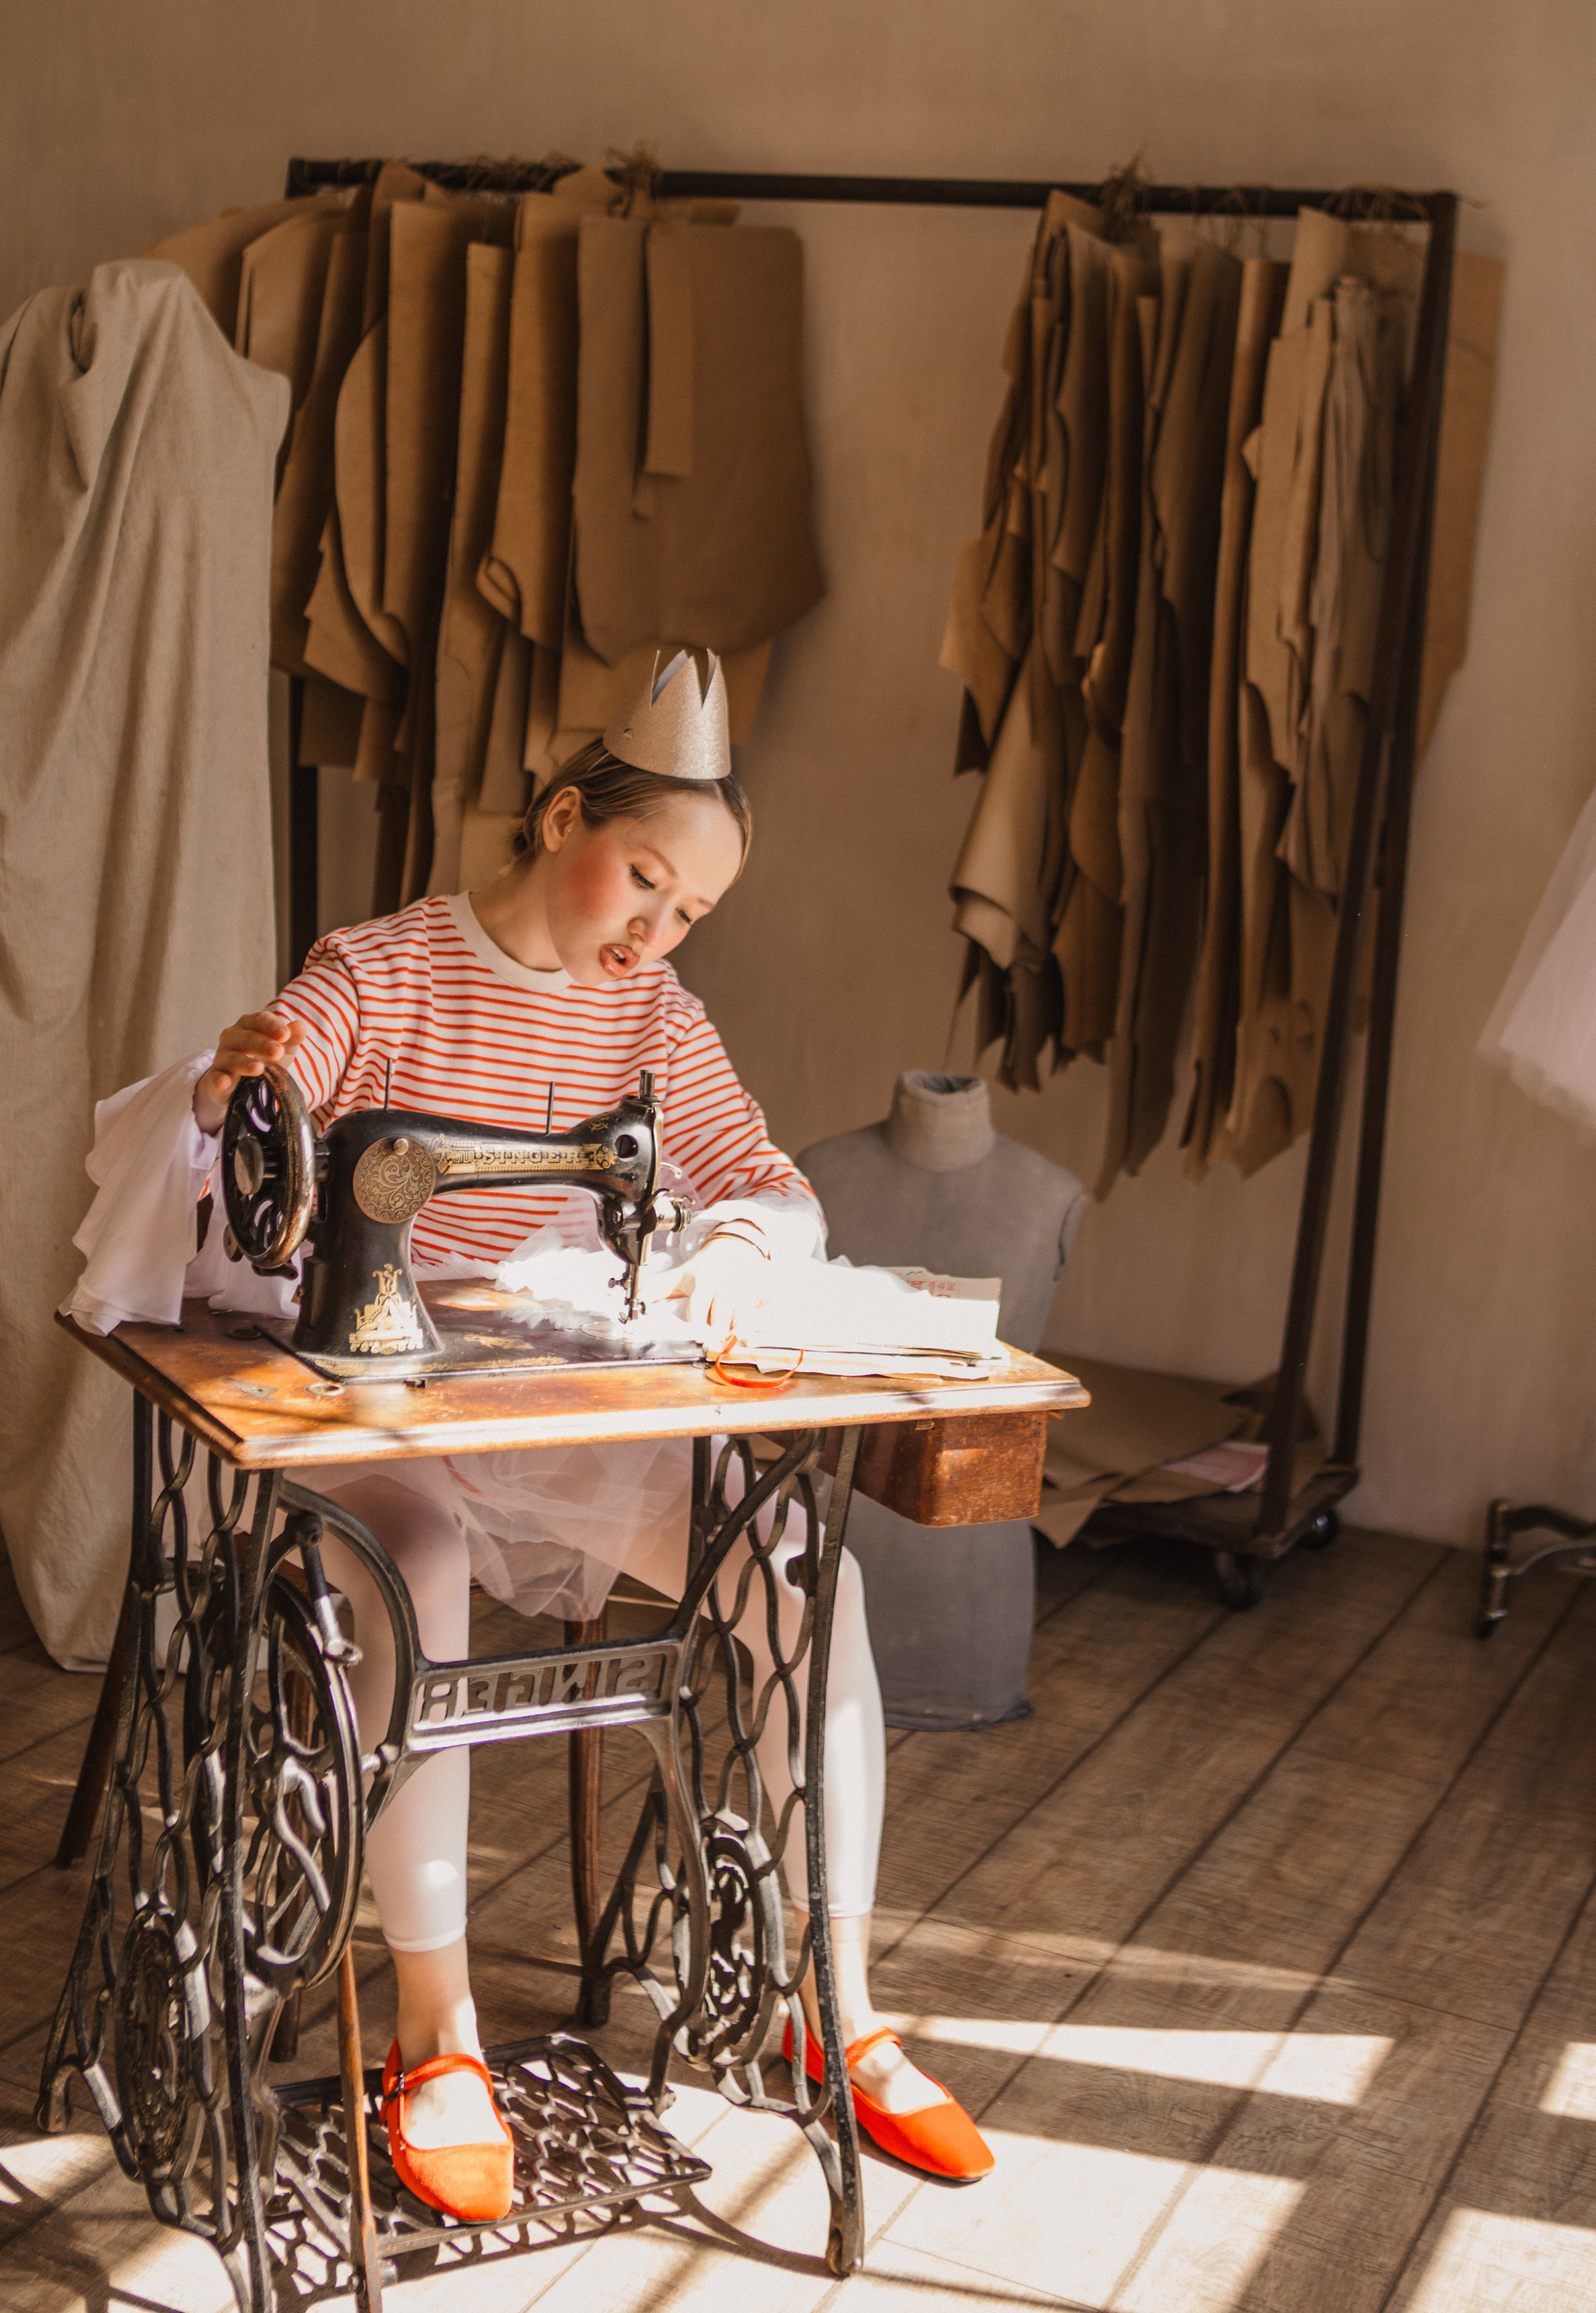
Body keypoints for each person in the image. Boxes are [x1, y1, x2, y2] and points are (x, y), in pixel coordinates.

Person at [67, 651, 990, 2220]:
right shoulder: (377, 971)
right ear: (561, 812)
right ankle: (435, 2033)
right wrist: (240, 1094)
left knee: (787, 1568)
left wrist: (742, 1246)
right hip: (381, 1389)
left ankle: (823, 2002)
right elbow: (263, 1108)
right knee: (409, 1557)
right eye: (642, 877)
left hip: (554, 1397)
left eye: (689, 912)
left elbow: (760, 1172)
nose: (654, 930)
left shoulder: (651, 1012)